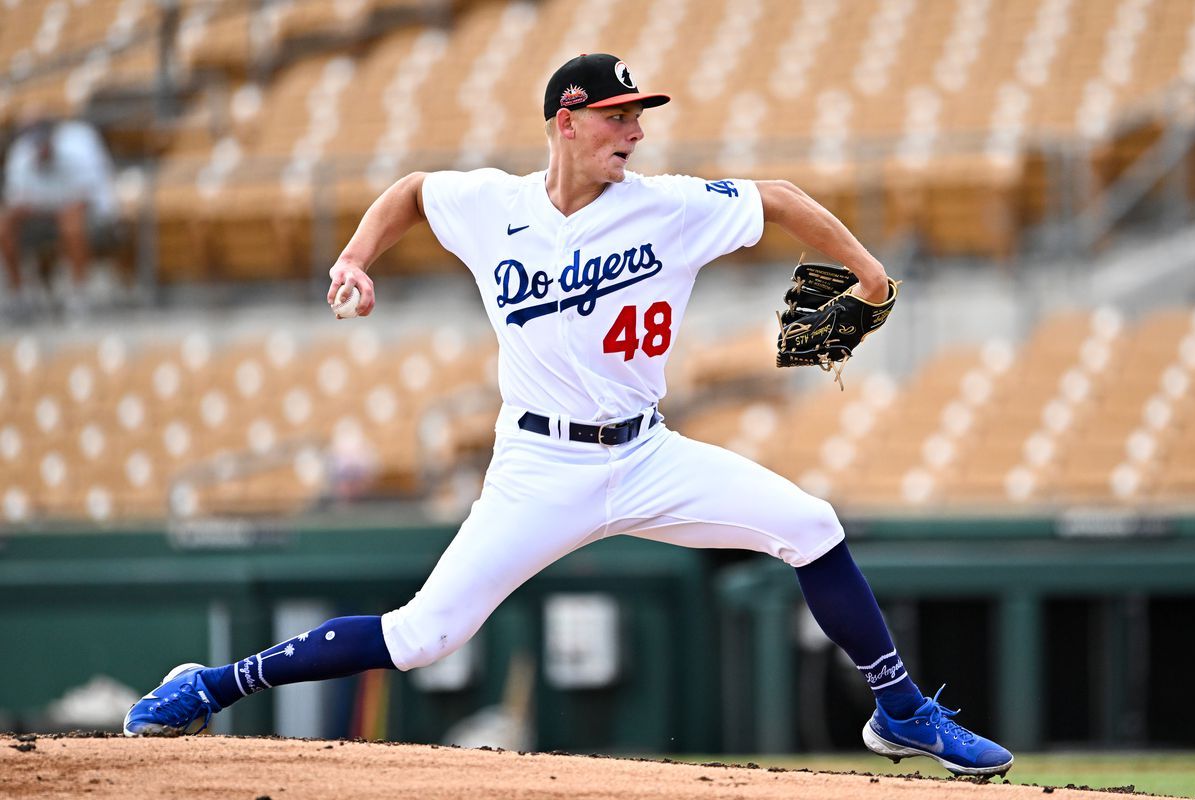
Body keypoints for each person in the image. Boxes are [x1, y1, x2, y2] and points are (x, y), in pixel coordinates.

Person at [123, 53, 1013, 777]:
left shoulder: (666, 208)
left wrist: (868, 275)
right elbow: (409, 192)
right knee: (423, 637)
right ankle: (210, 685)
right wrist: (356, 258)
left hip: (647, 456)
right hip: (539, 470)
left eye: (639, 118)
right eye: (618, 115)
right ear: (567, 121)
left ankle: (901, 712)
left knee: (812, 526)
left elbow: (776, 197)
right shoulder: (492, 206)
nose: (634, 131)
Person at [0, 110, 118, 313]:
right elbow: (15, 201)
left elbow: (89, 197)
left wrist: (58, 206)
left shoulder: (79, 145)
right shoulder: (21, 153)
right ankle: (18, 293)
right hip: (39, 216)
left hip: (86, 216)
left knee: (71, 223)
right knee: (4, 223)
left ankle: (79, 293)